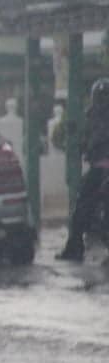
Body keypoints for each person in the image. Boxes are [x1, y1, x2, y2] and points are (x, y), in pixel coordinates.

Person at [56, 77, 109, 262]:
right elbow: (86, 141)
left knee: (81, 208)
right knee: (81, 207)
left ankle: (74, 248)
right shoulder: (92, 116)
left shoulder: (94, 116)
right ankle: (74, 248)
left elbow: (88, 142)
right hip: (100, 169)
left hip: (100, 169)